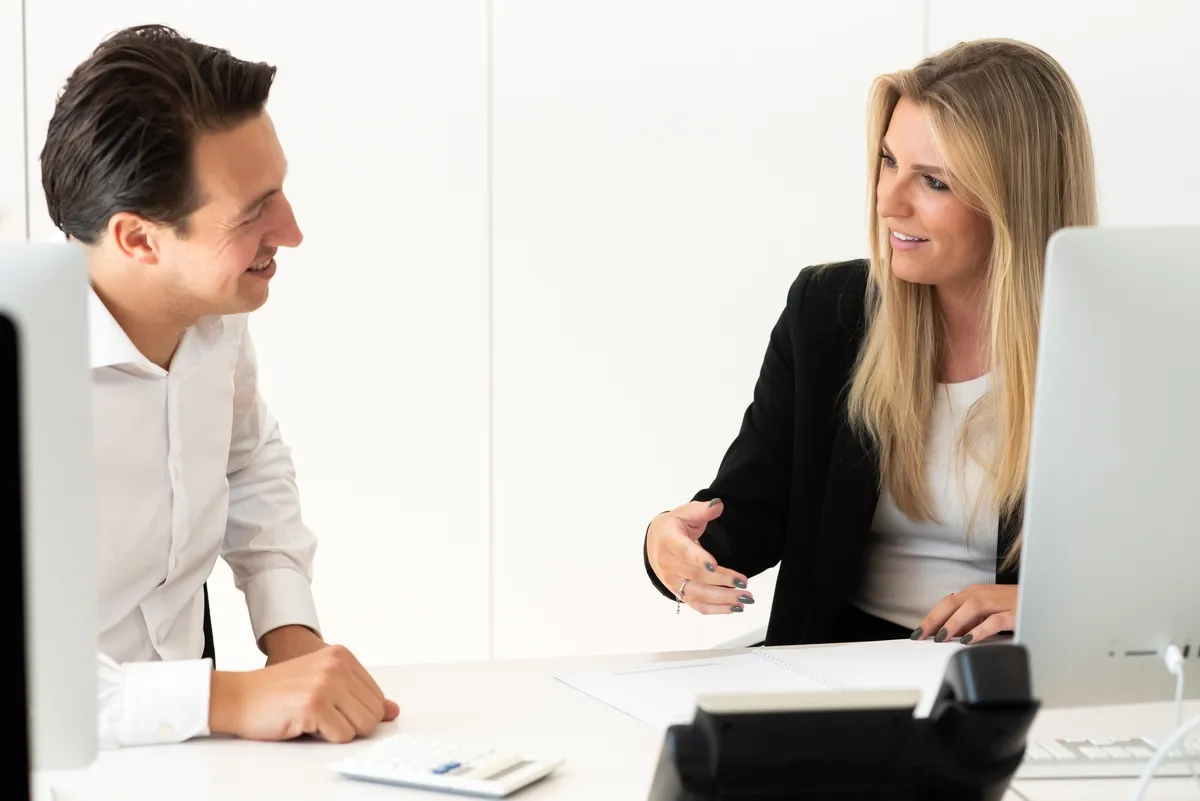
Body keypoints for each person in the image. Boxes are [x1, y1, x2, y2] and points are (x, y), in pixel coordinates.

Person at [643, 38, 1098, 647]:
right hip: (839, 663)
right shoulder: (828, 311)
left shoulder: (1113, 344)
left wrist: (1051, 605)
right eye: (888, 161)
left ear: (1014, 200)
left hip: (1020, 674)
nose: (887, 203)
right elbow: (748, 512)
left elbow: (1166, 564)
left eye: (933, 181)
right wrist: (671, 542)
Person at [40, 25, 399, 748]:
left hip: (189, 751)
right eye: (253, 211)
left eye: (281, 190)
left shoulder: (210, 308)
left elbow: (246, 455)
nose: (291, 231)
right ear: (139, 239)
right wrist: (228, 697)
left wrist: (290, 633)